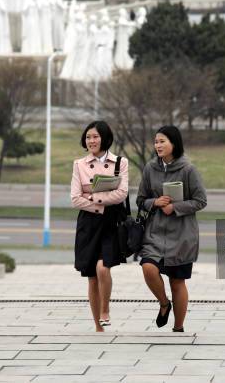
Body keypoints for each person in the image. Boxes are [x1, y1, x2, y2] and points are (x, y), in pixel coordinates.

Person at [136, 125, 207, 333]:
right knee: (148, 267)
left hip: (182, 236)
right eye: (156, 141)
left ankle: (178, 328)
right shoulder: (150, 168)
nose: (158, 145)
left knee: (177, 281)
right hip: (155, 233)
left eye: (162, 141)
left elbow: (200, 201)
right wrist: (155, 202)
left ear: (174, 143)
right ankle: (164, 303)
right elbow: (140, 199)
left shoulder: (189, 170)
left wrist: (174, 207)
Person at [70, 121, 128, 332]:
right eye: (88, 137)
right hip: (88, 225)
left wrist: (93, 197)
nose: (91, 141)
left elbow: (122, 194)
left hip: (111, 223)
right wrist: (103, 199)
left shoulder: (119, 162)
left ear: (104, 138)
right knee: (91, 277)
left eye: (95, 136)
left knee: (103, 268)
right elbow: (75, 199)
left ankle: (105, 309)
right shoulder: (79, 164)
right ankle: (98, 326)